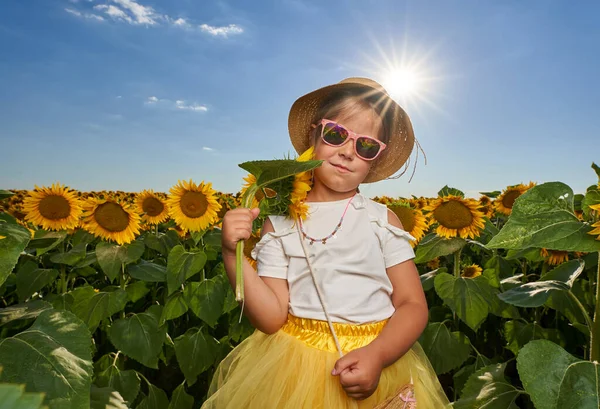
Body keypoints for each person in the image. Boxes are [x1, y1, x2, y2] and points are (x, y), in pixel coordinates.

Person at [202, 78, 450, 408]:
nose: (348, 151)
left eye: (366, 146)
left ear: (373, 160)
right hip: (295, 369)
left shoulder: (382, 220)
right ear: (313, 136)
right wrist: (232, 254)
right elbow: (271, 317)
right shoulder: (281, 223)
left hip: (378, 357)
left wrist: (378, 354)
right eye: (335, 135)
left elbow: (412, 305)